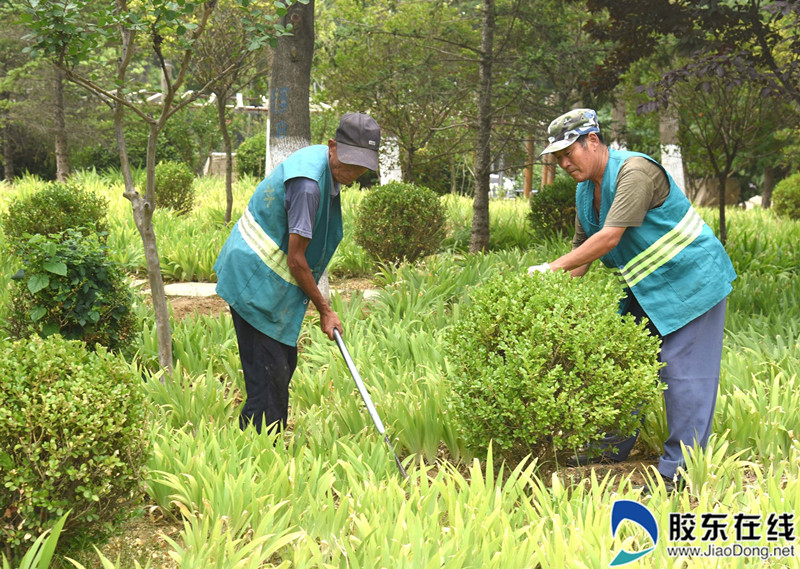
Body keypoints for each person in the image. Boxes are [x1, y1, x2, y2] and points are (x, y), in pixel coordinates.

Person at [531, 108, 736, 491]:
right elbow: (583, 252)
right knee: (625, 360)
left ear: (592, 141)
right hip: (650, 286)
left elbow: (608, 238)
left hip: (693, 280)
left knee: (683, 373)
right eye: (556, 157)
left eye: (568, 152)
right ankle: (612, 446)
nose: (563, 162)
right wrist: (544, 304)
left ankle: (680, 472)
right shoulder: (585, 190)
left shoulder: (633, 172)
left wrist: (550, 268)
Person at [214, 112, 381, 434]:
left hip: (265, 279)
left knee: (280, 366)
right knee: (269, 377)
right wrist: (325, 310)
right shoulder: (308, 187)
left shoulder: (322, 164)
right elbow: (296, 260)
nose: (354, 172)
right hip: (253, 280)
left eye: (362, 165)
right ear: (333, 146)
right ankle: (257, 456)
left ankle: (254, 445)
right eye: (350, 162)